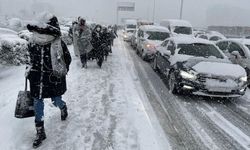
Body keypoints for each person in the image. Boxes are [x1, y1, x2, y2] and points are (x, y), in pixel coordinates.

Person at [26, 13, 71, 148]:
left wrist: (59, 70)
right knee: (37, 103)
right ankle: (40, 132)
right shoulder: (32, 41)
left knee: (56, 100)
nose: (41, 31)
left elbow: (67, 59)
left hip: (53, 79)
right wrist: (29, 70)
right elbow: (28, 59)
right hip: (36, 79)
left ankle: (63, 107)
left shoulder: (58, 43)